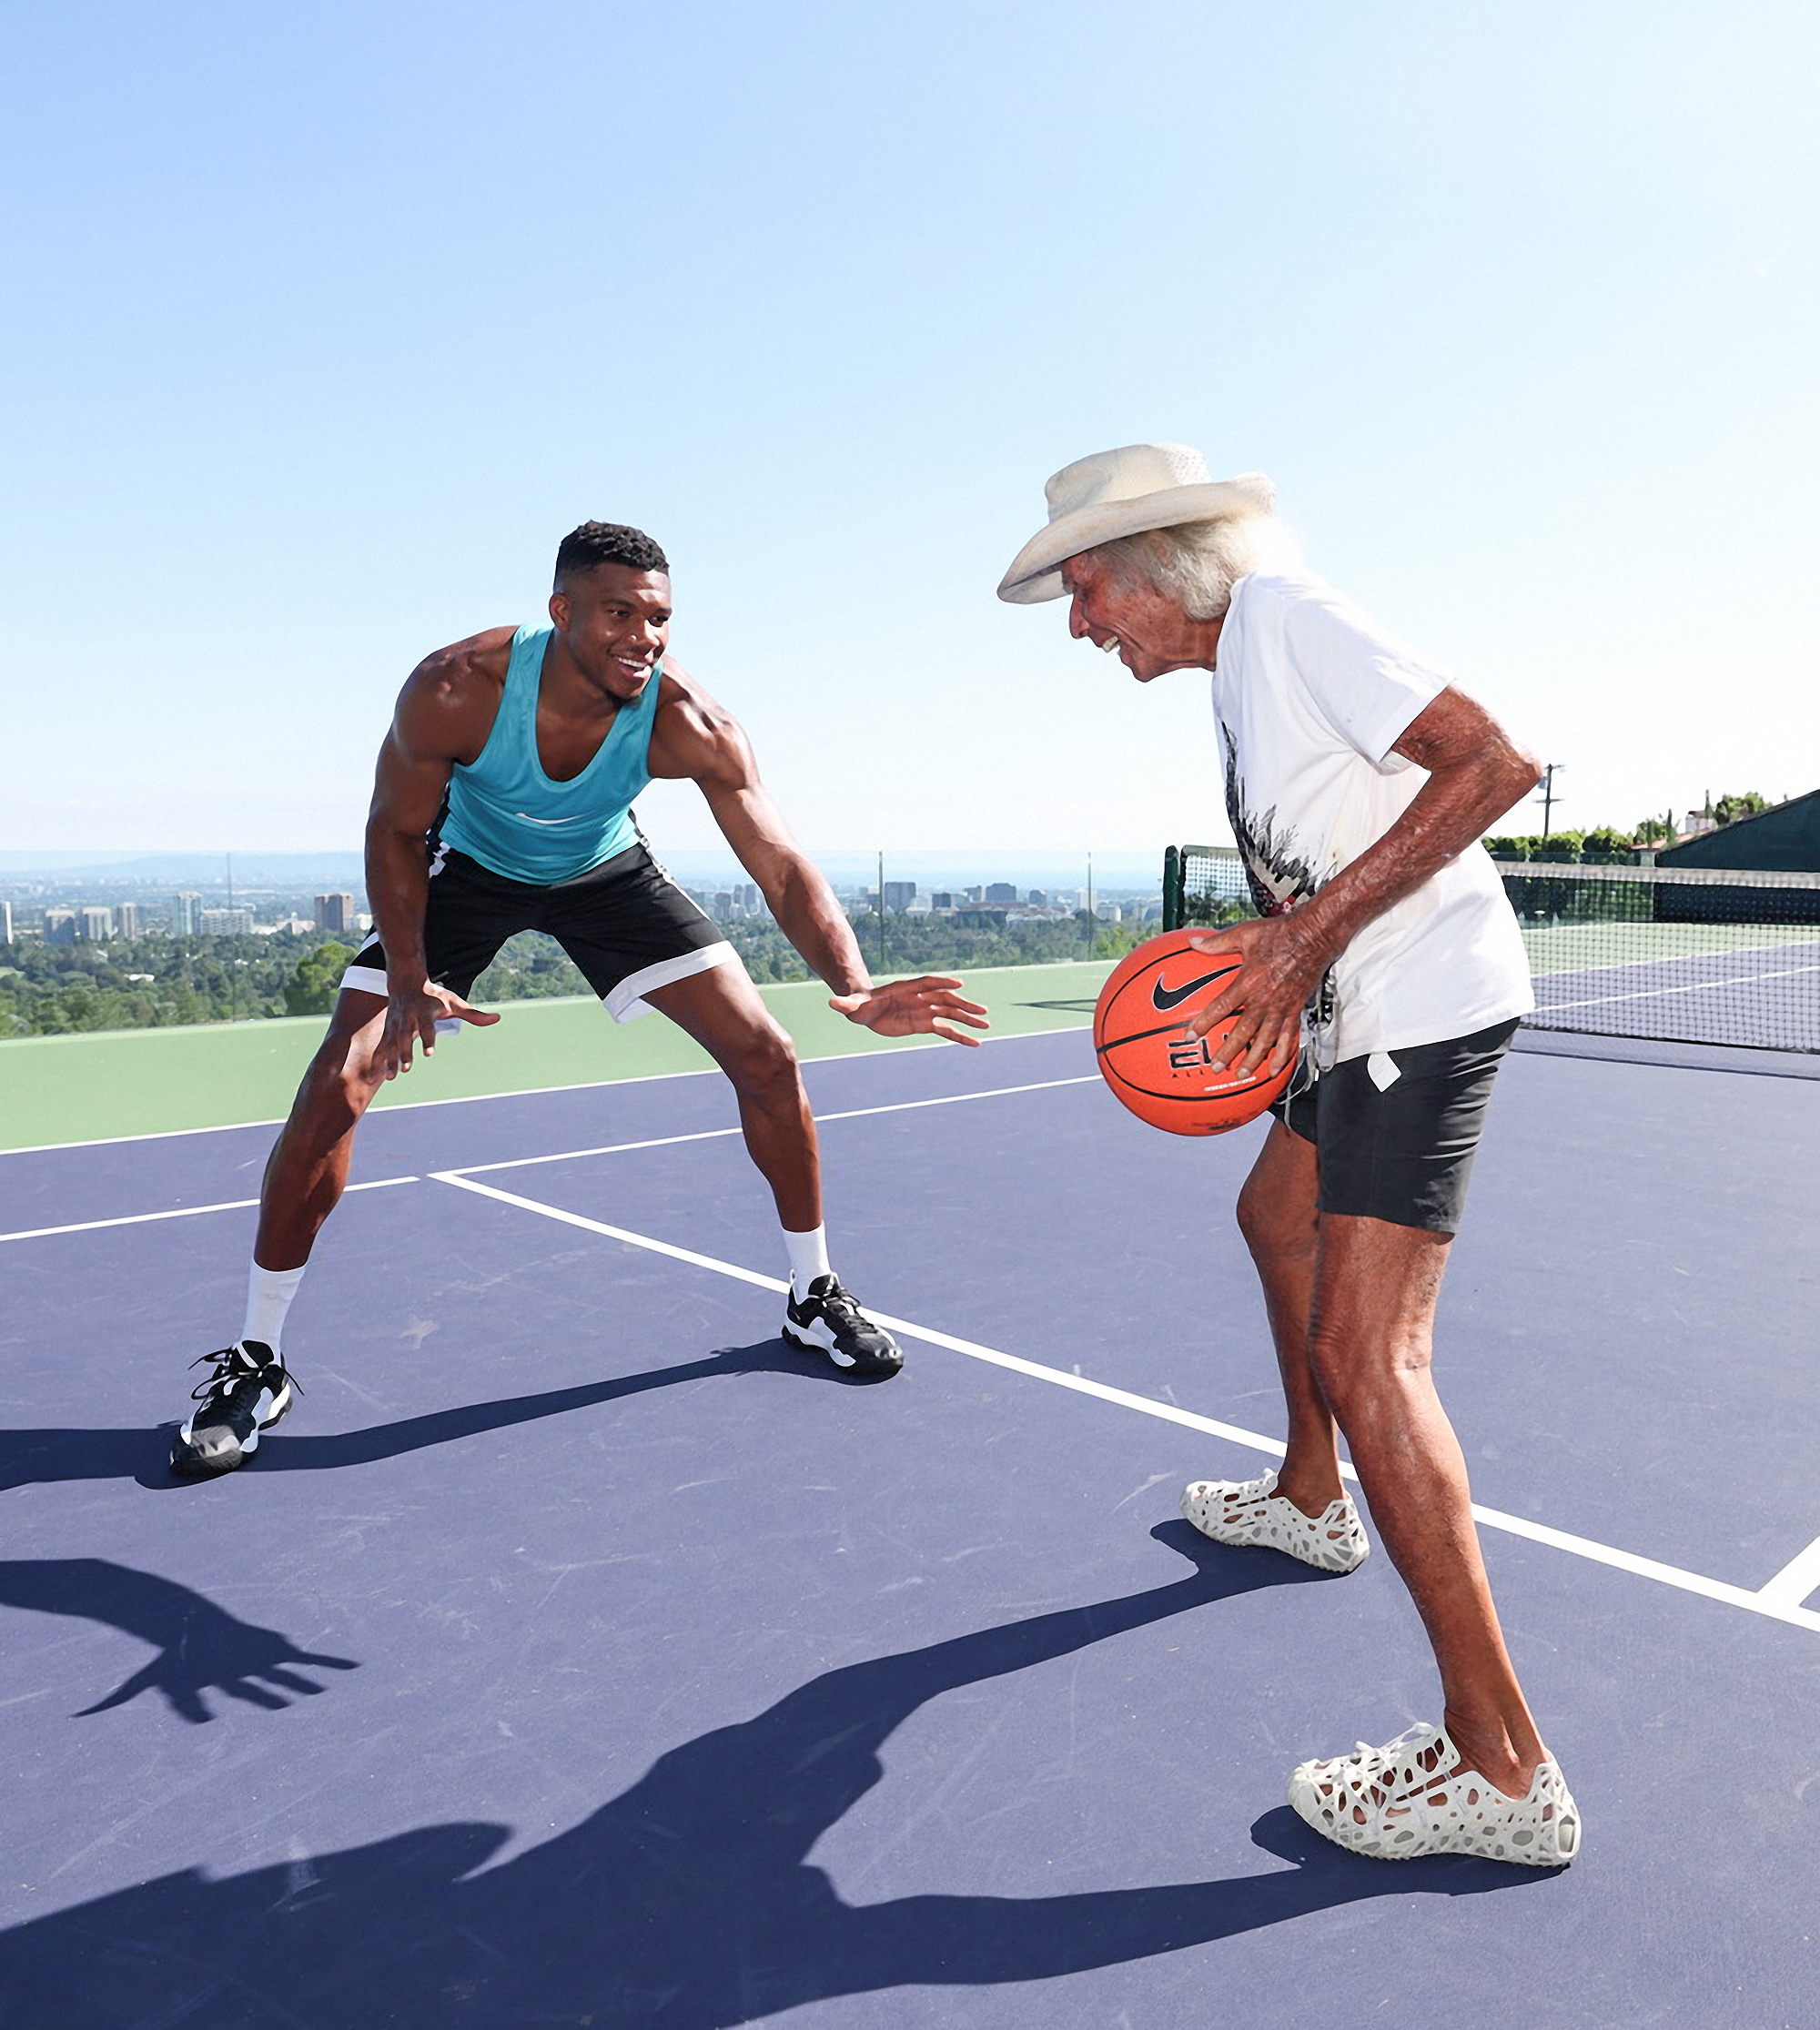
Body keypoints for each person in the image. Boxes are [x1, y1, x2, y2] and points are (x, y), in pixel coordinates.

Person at [997, 444, 1580, 1866]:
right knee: (1275, 1216)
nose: (1080, 626)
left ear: (1155, 569)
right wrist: (1296, 968)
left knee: (1370, 1351)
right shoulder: (1236, 675)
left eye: (1085, 591)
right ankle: (1315, 1499)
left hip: (1418, 1007)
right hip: (1352, 1013)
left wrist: (1307, 940)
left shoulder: (1289, 620)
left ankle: (1500, 1761)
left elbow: (1494, 761)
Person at [172, 520, 988, 1477]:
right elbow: (394, 830)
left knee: (768, 1055)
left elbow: (777, 861)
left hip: (605, 871)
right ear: (561, 612)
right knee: (335, 1085)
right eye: (619, 613)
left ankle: (813, 1294)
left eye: (658, 619)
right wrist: (404, 977)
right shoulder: (454, 687)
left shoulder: (690, 720)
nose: (643, 636)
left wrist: (848, 983)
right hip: (465, 869)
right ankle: (257, 1358)